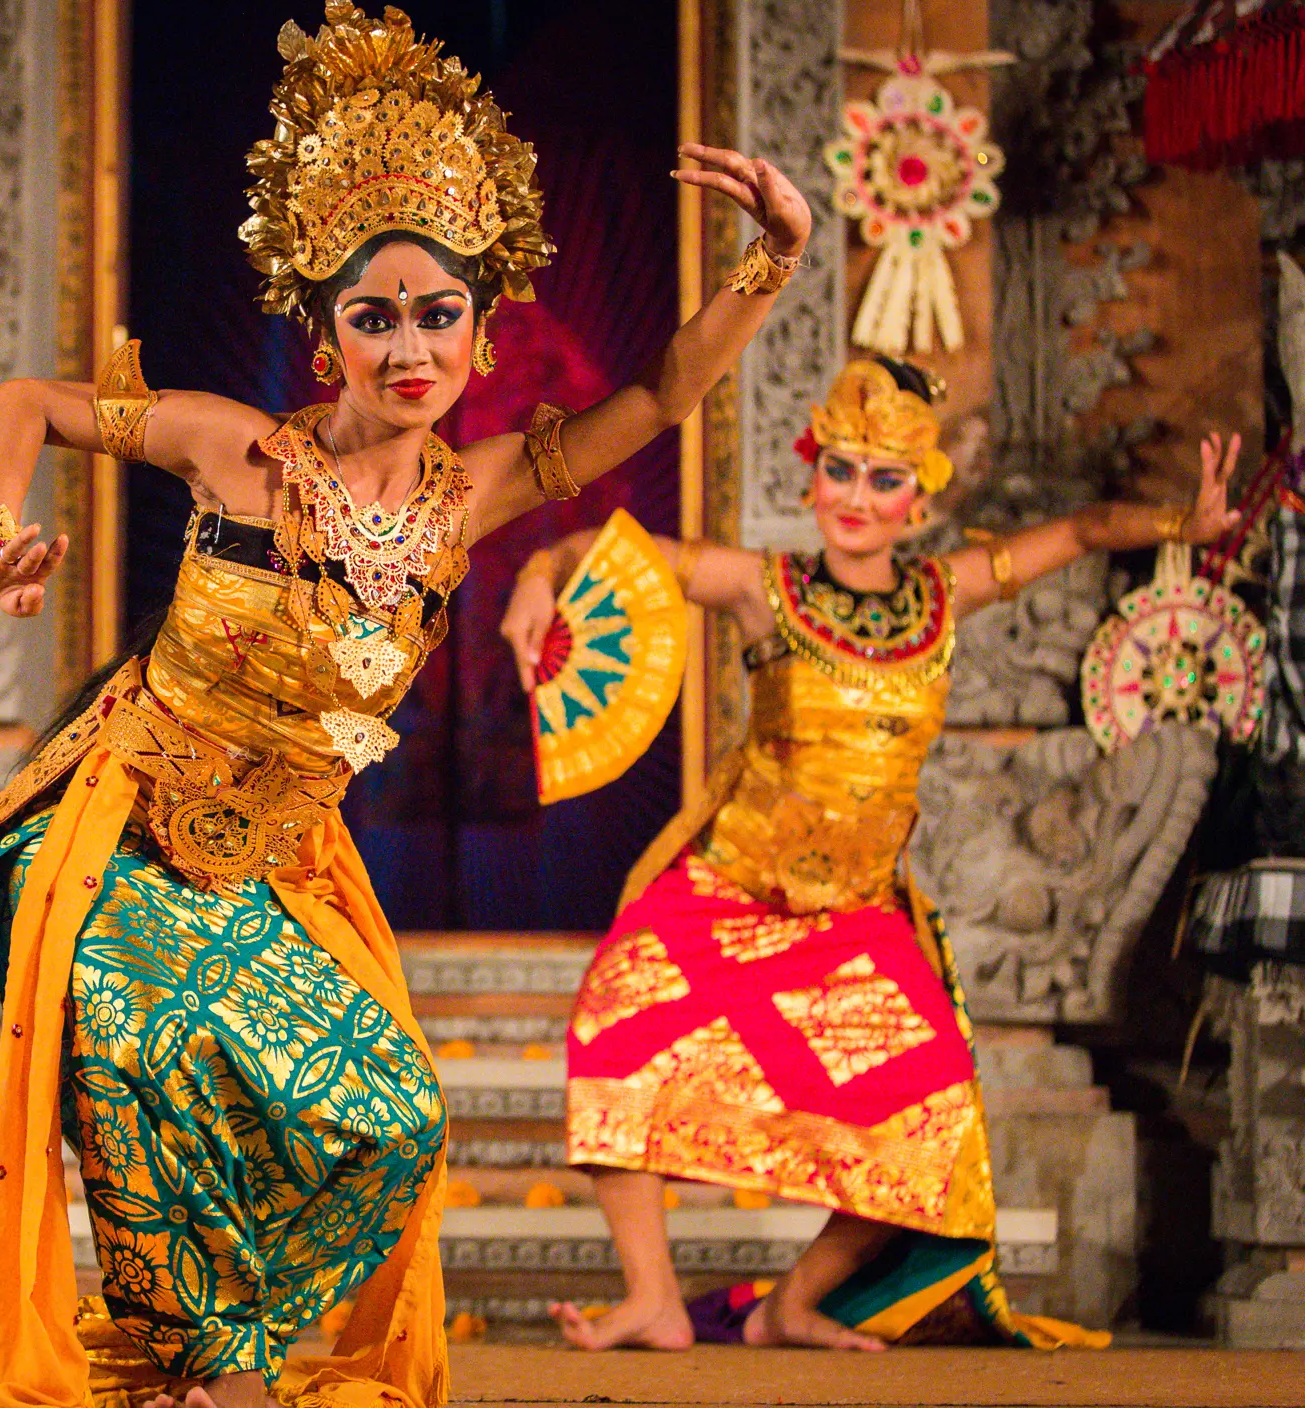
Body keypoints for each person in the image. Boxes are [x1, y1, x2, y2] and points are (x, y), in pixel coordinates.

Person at [0, 0, 808, 1408]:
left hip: (267, 869)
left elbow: (660, 401)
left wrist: (771, 263)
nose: (410, 349)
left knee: (394, 1121)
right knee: (136, 1046)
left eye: (439, 316)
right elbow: (24, 403)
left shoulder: (476, 490)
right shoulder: (238, 452)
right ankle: (214, 1368)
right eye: (375, 318)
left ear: (483, 328)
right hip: (103, 833)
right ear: (328, 332)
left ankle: (185, 1343)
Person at [498, 359, 1240, 1354]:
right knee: (612, 1026)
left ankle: (793, 1303)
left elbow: (1081, 530)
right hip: (731, 888)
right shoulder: (765, 590)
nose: (857, 496)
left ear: (918, 498)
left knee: (933, 1117)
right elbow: (602, 542)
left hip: (856, 915)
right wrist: (534, 584)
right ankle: (653, 1297)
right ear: (811, 479)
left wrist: (1178, 529)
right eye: (840, 470)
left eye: (884, 478)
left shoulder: (946, 596)